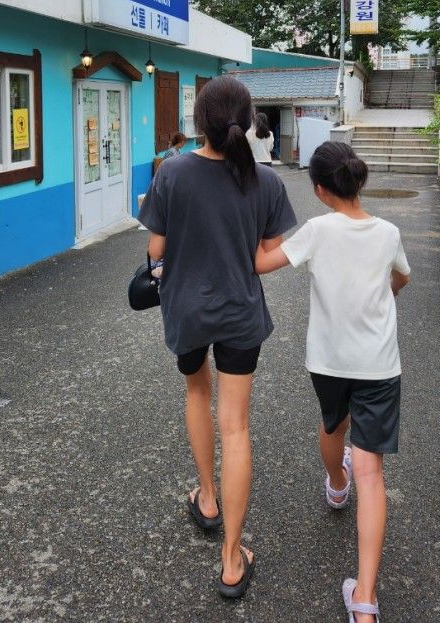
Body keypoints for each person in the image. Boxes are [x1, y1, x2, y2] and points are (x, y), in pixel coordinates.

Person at [138, 76, 297, 599]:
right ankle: (232, 560)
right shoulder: (266, 182)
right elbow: (262, 259)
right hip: (239, 314)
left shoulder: (172, 172)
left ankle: (206, 498)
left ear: (198, 122)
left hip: (186, 308)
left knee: (196, 393)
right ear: (248, 122)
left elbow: (156, 250)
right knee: (237, 428)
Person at [255, 142, 410, 623]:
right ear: (358, 181)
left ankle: (336, 485)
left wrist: (256, 227)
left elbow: (263, 263)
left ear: (320, 190)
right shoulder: (387, 232)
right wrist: (384, 294)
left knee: (332, 428)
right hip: (378, 363)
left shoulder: (318, 230)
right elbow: (402, 277)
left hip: (328, 361)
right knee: (374, 472)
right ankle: (364, 598)